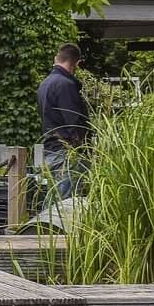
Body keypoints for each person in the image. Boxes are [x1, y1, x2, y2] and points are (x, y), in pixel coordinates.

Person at [37, 42, 91, 198]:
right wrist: (83, 150)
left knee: (54, 201)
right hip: (67, 154)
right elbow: (73, 122)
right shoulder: (65, 85)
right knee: (66, 204)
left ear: (56, 58)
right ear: (77, 63)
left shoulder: (44, 84)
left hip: (51, 149)